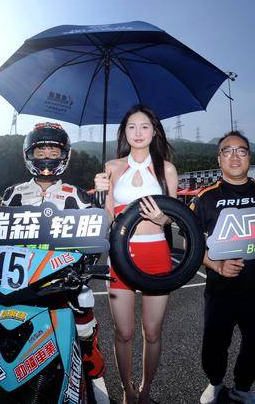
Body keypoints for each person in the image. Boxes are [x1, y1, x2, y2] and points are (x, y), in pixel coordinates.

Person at [190, 131, 255, 404]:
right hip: (219, 289)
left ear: (249, 157)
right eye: (228, 151)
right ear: (219, 159)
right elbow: (191, 244)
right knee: (214, 344)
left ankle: (242, 388)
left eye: (241, 151)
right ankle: (215, 383)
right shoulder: (205, 197)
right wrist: (215, 264)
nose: (234, 156)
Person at [2, 122, 106, 381]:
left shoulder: (77, 195)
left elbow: (93, 234)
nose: (47, 157)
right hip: (21, 272)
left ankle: (88, 346)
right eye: (41, 152)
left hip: (62, 271)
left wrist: (101, 203)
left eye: (53, 152)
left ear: (64, 155)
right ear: (29, 154)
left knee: (83, 299)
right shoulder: (13, 194)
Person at [94, 105, 178, 404]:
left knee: (152, 332)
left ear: (154, 131)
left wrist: (161, 218)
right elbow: (106, 218)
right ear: (124, 132)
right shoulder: (111, 167)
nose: (138, 132)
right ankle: (127, 388)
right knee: (124, 332)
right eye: (132, 126)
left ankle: (145, 389)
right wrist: (100, 193)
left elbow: (173, 216)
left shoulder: (167, 169)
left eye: (145, 126)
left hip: (157, 253)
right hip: (121, 255)